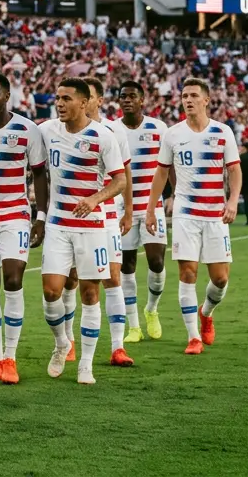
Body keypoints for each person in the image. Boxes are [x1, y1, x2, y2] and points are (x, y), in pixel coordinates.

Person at [36, 77, 127, 386]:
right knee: (51, 291)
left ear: (85, 102)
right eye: (57, 98)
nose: (59, 103)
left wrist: (94, 198)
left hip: (92, 228)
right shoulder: (46, 131)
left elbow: (119, 180)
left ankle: (85, 363)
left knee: (90, 293)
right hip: (58, 225)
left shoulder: (103, 136)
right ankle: (62, 343)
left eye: (66, 98)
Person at [147, 78, 241, 355]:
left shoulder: (223, 132)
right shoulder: (173, 134)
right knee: (188, 273)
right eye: (184, 95)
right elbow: (162, 172)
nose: (187, 100)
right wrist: (151, 208)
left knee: (221, 278)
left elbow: (234, 170)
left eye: (193, 95)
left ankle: (207, 311)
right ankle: (193, 337)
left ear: (206, 100)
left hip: (215, 215)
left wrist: (233, 201)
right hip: (185, 214)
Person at [0, 71, 46, 385]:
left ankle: (12, 358)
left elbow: (40, 175)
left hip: (15, 215)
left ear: (6, 95)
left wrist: (40, 216)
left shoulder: (27, 129)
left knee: (13, 279)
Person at [82, 77, 135, 368]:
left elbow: (125, 174)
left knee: (113, 277)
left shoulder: (114, 131)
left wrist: (129, 210)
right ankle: (68, 341)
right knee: (75, 280)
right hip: (73, 219)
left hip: (108, 216)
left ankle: (118, 346)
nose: (82, 101)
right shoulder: (60, 129)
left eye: (87, 96)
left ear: (99, 100)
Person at [112, 79, 170, 344]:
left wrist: (173, 196)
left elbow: (169, 166)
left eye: (132, 96)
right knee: (127, 266)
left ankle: (152, 309)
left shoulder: (159, 128)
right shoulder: (112, 130)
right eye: (122, 96)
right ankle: (133, 325)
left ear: (142, 100)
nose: (126, 100)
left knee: (157, 262)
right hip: (122, 208)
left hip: (151, 206)